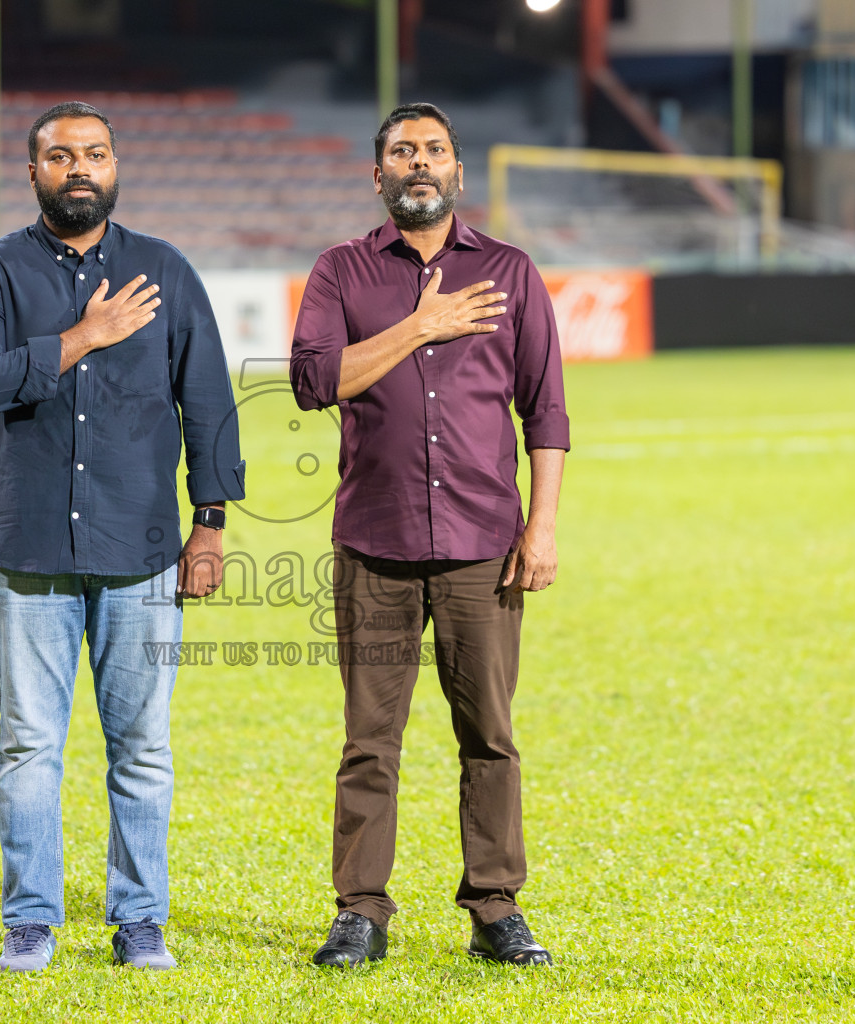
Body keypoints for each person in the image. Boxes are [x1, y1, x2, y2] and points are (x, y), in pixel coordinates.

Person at [0, 101, 244, 972]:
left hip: (143, 550)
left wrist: (211, 525)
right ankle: (30, 919)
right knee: (30, 744)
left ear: (116, 166)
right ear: (31, 170)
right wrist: (80, 339)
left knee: (143, 748)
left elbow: (211, 405)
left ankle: (139, 918)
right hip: (27, 546)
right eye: (61, 155)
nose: (81, 168)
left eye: (96, 154)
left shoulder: (165, 271)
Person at [289, 103, 569, 967]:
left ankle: (495, 907)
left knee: (489, 733)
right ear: (377, 176)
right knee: (370, 740)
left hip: (486, 544)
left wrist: (543, 524)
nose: (420, 162)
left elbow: (546, 410)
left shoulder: (512, 273)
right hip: (375, 544)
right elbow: (310, 382)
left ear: (457, 173)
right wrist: (420, 326)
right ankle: (360, 913)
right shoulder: (341, 272)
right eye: (402, 151)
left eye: (435, 151)